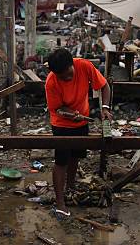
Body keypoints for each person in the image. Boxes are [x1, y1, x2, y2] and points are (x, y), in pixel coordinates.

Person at [45, 48, 112, 218]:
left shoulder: (84, 66)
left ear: (72, 64)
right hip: (61, 124)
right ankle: (60, 202)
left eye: (68, 74)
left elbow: (104, 86)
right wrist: (68, 113)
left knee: (75, 156)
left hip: (82, 120)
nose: (66, 79)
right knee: (61, 161)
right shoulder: (51, 82)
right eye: (62, 77)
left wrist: (105, 108)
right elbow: (57, 108)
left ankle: (71, 187)